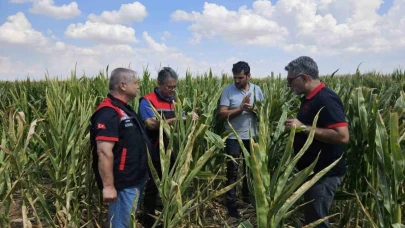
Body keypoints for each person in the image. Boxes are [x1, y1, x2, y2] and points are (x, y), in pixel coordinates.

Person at [284, 56, 349, 227]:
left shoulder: (325, 99)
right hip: (313, 172)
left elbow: (342, 136)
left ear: (304, 78)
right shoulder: (310, 98)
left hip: (323, 174)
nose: (288, 85)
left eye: (290, 80)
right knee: (313, 218)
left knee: (317, 222)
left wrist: (303, 128)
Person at [90, 67, 150, 228]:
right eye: (135, 83)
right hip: (123, 182)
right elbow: (103, 151)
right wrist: (109, 187)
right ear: (123, 85)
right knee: (120, 223)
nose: (138, 86)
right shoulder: (108, 112)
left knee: (127, 221)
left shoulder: (125, 109)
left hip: (134, 178)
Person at [138, 67, 198, 227]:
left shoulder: (174, 101)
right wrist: (178, 119)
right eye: (169, 87)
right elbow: (150, 124)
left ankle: (167, 217)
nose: (173, 90)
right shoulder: (147, 101)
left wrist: (191, 118)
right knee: (153, 185)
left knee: (172, 184)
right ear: (159, 84)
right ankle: (148, 220)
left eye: (174, 87)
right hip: (154, 150)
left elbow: (183, 118)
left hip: (173, 151)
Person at [218, 61, 264, 218]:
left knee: (250, 171)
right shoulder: (228, 91)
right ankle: (231, 207)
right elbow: (222, 114)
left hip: (252, 137)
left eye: (240, 78)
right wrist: (240, 109)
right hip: (233, 137)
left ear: (249, 76)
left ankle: (247, 200)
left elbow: (264, 112)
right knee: (232, 171)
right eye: (235, 78)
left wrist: (255, 109)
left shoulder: (257, 90)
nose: (237, 81)